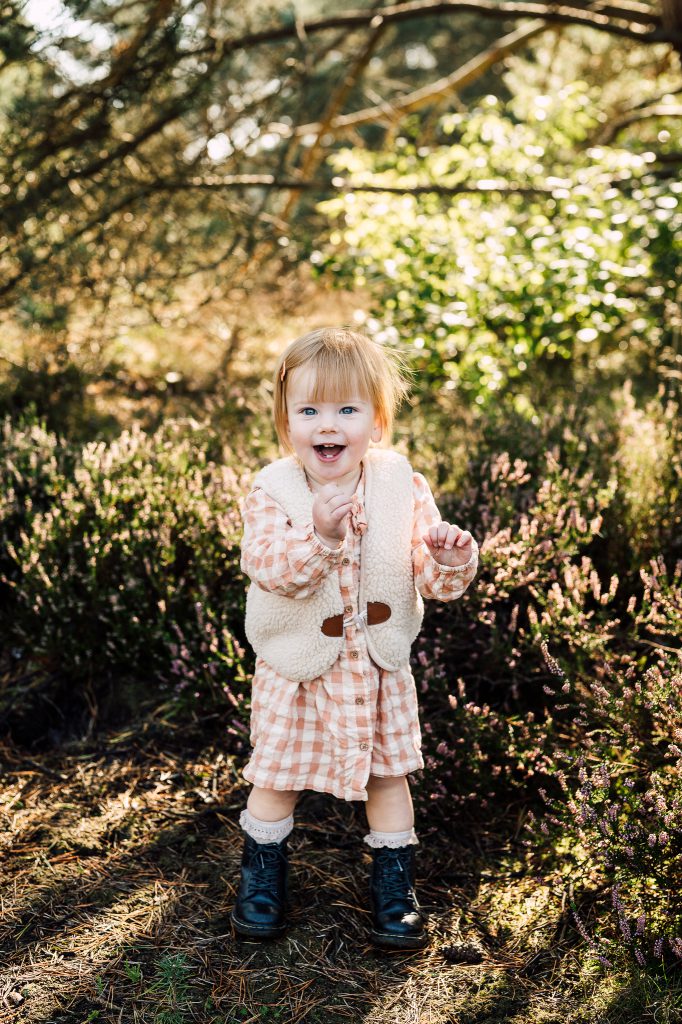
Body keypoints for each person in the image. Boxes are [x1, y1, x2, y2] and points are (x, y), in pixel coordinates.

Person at [231, 326, 478, 949]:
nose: (327, 425)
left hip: (376, 664)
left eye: (346, 409)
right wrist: (320, 536)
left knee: (388, 778)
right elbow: (269, 569)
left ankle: (395, 887)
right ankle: (262, 880)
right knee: (276, 778)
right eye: (309, 410)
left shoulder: (400, 483)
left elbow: (427, 577)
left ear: (378, 419)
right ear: (286, 421)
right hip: (299, 667)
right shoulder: (274, 490)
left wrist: (447, 560)